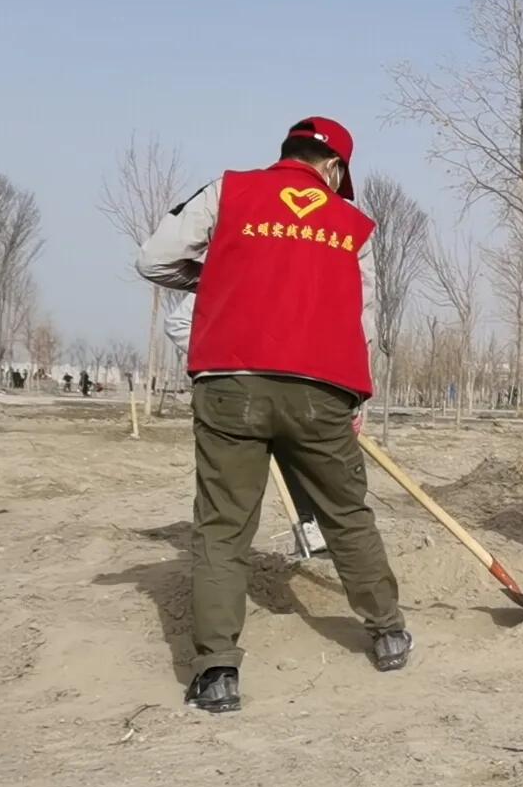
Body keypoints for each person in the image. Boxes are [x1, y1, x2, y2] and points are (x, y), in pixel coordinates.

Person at [137, 116, 410, 714]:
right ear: (336, 168)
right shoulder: (355, 225)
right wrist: (357, 400)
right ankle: (387, 630)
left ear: (287, 152)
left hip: (230, 382)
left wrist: (222, 276)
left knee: (223, 525)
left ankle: (216, 672)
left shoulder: (227, 190)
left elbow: (153, 261)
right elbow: (362, 320)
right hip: (321, 391)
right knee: (346, 514)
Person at [165, 292, 330, 559]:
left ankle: (312, 526)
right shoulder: (225, 274)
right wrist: (223, 357)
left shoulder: (297, 275)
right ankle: (229, 552)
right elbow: (178, 323)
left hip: (297, 387)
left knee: (304, 460)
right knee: (237, 481)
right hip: (238, 390)